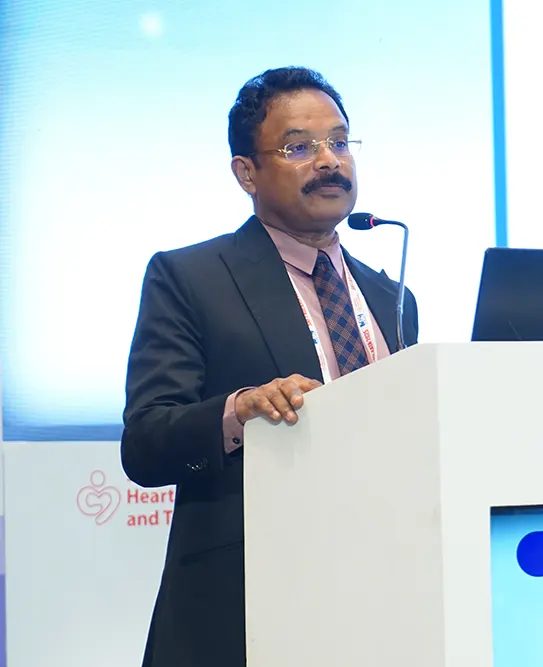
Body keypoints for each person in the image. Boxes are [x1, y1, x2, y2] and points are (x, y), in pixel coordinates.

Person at [120, 66, 418, 667]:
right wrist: (239, 411)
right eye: (299, 147)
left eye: (340, 142)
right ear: (246, 173)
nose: (329, 161)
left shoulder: (394, 299)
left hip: (384, 600)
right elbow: (146, 443)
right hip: (244, 610)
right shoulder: (190, 278)